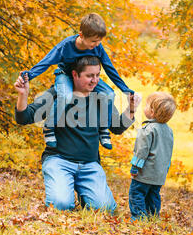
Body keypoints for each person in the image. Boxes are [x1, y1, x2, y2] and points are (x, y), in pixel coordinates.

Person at [15, 56, 140, 213]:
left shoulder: (101, 98)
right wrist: (23, 94)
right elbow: (24, 117)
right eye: (89, 76)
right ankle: (63, 189)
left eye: (97, 75)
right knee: (60, 206)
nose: (95, 80)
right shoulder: (58, 94)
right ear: (75, 75)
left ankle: (86, 193)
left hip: (90, 165)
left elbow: (116, 128)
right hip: (59, 161)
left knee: (105, 209)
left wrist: (132, 109)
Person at [21, 13, 135, 150]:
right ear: (81, 35)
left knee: (109, 95)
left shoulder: (98, 47)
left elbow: (109, 68)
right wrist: (30, 75)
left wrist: (125, 89)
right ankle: (49, 127)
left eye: (99, 41)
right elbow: (47, 61)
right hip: (65, 75)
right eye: (93, 41)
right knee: (66, 96)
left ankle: (103, 129)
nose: (97, 45)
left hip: (86, 77)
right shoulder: (66, 46)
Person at [129, 92, 176, 220]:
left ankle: (139, 218)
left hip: (144, 173)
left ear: (152, 111)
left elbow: (141, 151)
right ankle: (153, 217)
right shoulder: (169, 131)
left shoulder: (147, 130)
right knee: (153, 195)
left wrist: (135, 167)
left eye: (146, 105)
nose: (144, 107)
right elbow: (168, 152)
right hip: (159, 174)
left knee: (137, 194)